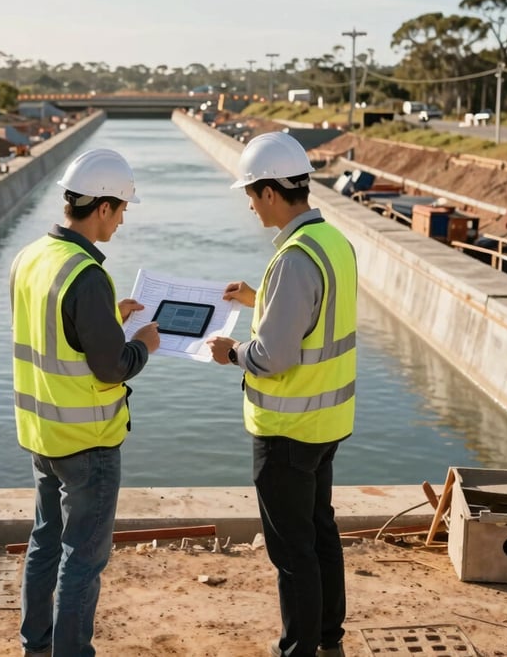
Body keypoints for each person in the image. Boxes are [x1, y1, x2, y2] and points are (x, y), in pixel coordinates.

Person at [206, 132, 357, 657]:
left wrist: (231, 353)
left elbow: (273, 358)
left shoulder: (292, 259)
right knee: (320, 534)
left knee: (292, 551)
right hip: (327, 422)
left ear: (270, 193)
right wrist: (258, 297)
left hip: (287, 429)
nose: (249, 204)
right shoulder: (333, 243)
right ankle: (328, 639)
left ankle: (298, 649)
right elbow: (316, 318)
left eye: (251, 193)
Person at [9, 147, 160, 657]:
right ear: (102, 208)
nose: (121, 221)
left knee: (45, 542)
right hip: (87, 443)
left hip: (41, 433)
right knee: (83, 560)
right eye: (121, 210)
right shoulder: (87, 275)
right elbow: (110, 367)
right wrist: (143, 345)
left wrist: (106, 316)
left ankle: (36, 645)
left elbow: (54, 331)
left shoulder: (31, 257)